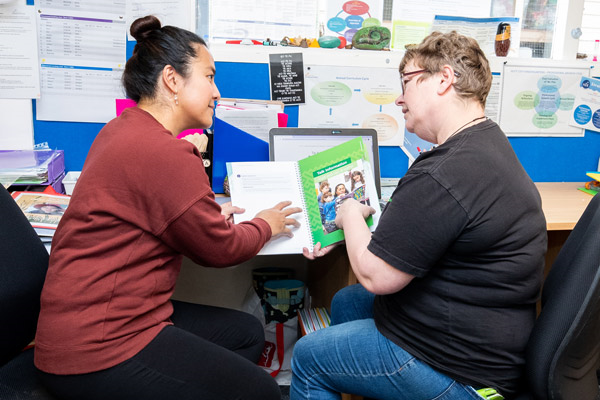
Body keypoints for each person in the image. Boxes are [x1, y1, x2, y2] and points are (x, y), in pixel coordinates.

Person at [34, 15, 301, 400]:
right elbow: (220, 250)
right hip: (99, 344)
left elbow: (156, 215)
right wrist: (266, 224)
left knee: (245, 333)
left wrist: (207, 219)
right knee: (261, 391)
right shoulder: (163, 152)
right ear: (172, 80)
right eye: (209, 77)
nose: (217, 93)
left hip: (100, 321)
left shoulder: (123, 128)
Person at [293, 31, 547, 400]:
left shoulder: (444, 172)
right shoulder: (485, 144)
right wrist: (350, 229)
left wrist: (348, 213)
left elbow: (376, 276)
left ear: (444, 79)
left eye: (407, 83)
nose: (399, 98)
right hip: (482, 336)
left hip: (463, 372)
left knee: (309, 357)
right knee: (348, 301)